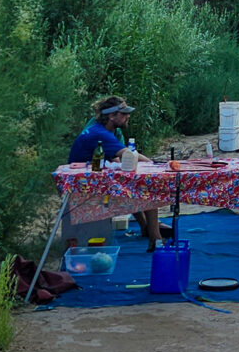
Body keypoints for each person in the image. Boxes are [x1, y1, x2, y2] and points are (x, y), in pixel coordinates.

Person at [68, 95, 168, 249]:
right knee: (148, 188)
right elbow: (128, 154)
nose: (128, 116)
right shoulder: (100, 133)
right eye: (124, 114)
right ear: (111, 116)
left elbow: (115, 158)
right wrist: (155, 165)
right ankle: (155, 239)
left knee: (137, 185)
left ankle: (147, 229)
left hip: (88, 180)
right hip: (88, 188)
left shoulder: (100, 129)